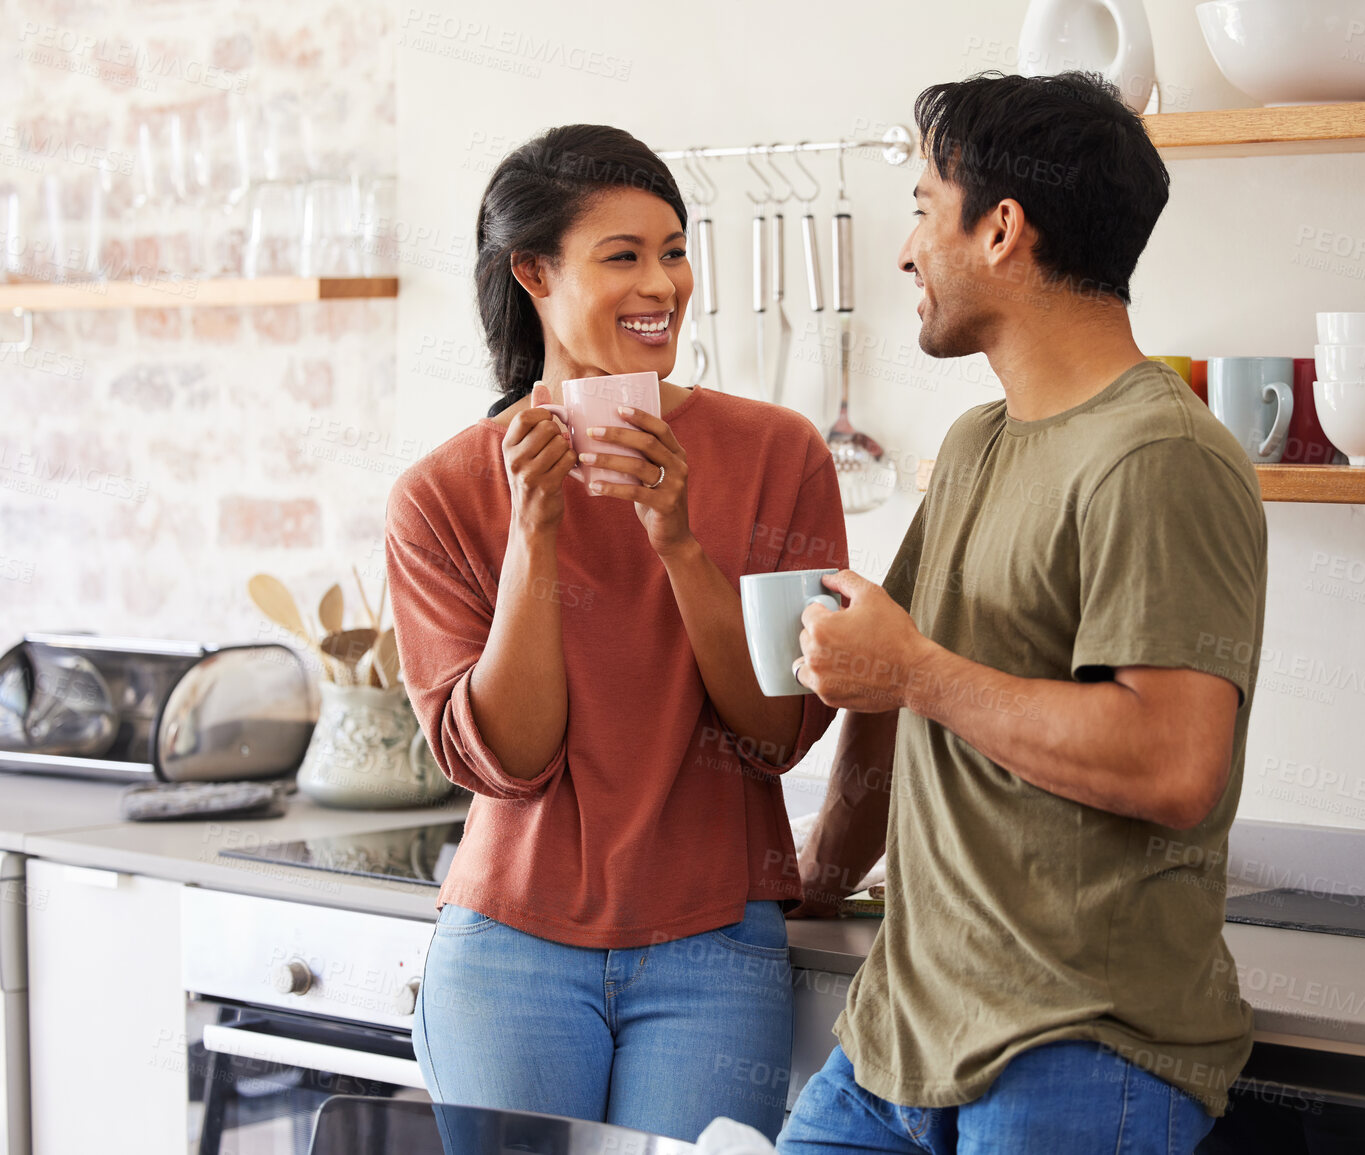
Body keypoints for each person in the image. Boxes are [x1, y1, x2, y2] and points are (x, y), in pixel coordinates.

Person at [778, 72, 1267, 1155]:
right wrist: (817, 876)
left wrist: (913, 673)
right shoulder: (974, 445)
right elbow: (884, 685)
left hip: (1077, 1055)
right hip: (897, 1043)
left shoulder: (1162, 457)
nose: (905, 252)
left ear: (1002, 229)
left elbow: (1175, 765)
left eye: (920, 207)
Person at [385, 124, 846, 1142]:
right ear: (534, 274)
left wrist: (679, 540)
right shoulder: (442, 495)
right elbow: (509, 757)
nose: (663, 285)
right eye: (624, 256)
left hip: (715, 948)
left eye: (674, 251)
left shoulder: (780, 456)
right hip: (507, 948)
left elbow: (777, 731)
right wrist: (534, 539)